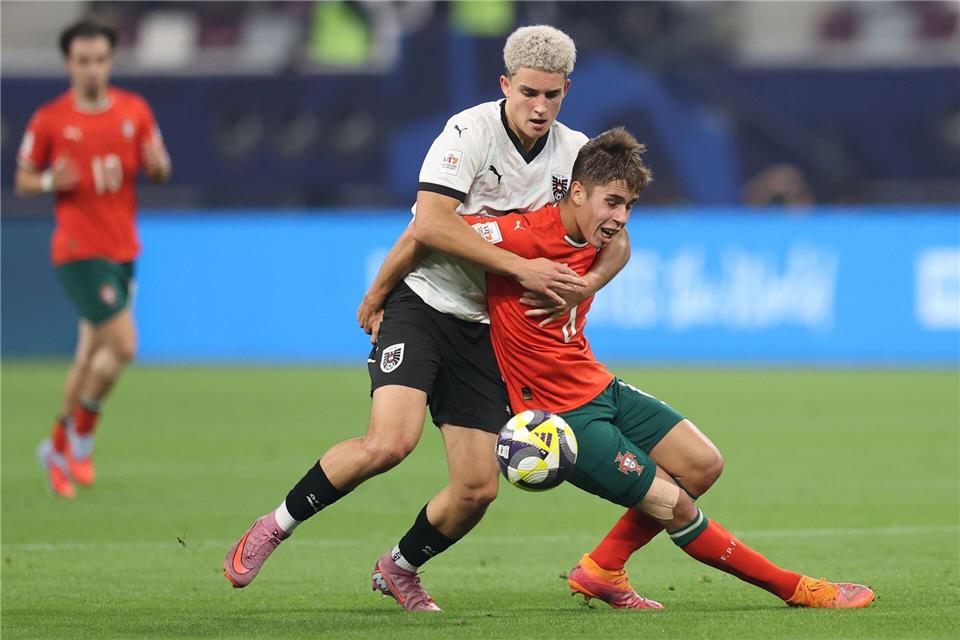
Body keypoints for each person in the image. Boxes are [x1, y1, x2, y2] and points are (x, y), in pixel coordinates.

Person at [224, 25, 632, 611]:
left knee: (476, 489)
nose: (540, 107)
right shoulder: (468, 133)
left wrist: (584, 286)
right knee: (389, 443)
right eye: (528, 93)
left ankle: (399, 567)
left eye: (552, 95)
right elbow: (432, 225)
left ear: (567, 89)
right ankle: (275, 525)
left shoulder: (578, 154)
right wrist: (388, 287)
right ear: (504, 85)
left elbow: (617, 237)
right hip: (425, 304)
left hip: (490, 330)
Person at [469, 126, 875, 610]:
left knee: (704, 465)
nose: (620, 218)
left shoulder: (597, 232)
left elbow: (621, 246)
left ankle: (601, 569)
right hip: (561, 418)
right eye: (613, 203)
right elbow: (429, 229)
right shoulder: (518, 234)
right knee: (672, 504)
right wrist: (382, 296)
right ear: (576, 192)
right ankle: (798, 589)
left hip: (598, 384)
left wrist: (588, 282)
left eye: (629, 207)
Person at [15, 18, 172, 499]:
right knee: (124, 343)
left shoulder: (134, 110)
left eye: (99, 59)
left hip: (122, 248)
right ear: (68, 63)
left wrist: (158, 166)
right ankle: (81, 438)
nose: (91, 69)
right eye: (82, 60)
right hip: (78, 251)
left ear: (110, 61)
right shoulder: (49, 119)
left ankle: (58, 445)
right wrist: (47, 182)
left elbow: (160, 169)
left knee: (90, 357)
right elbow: (23, 180)